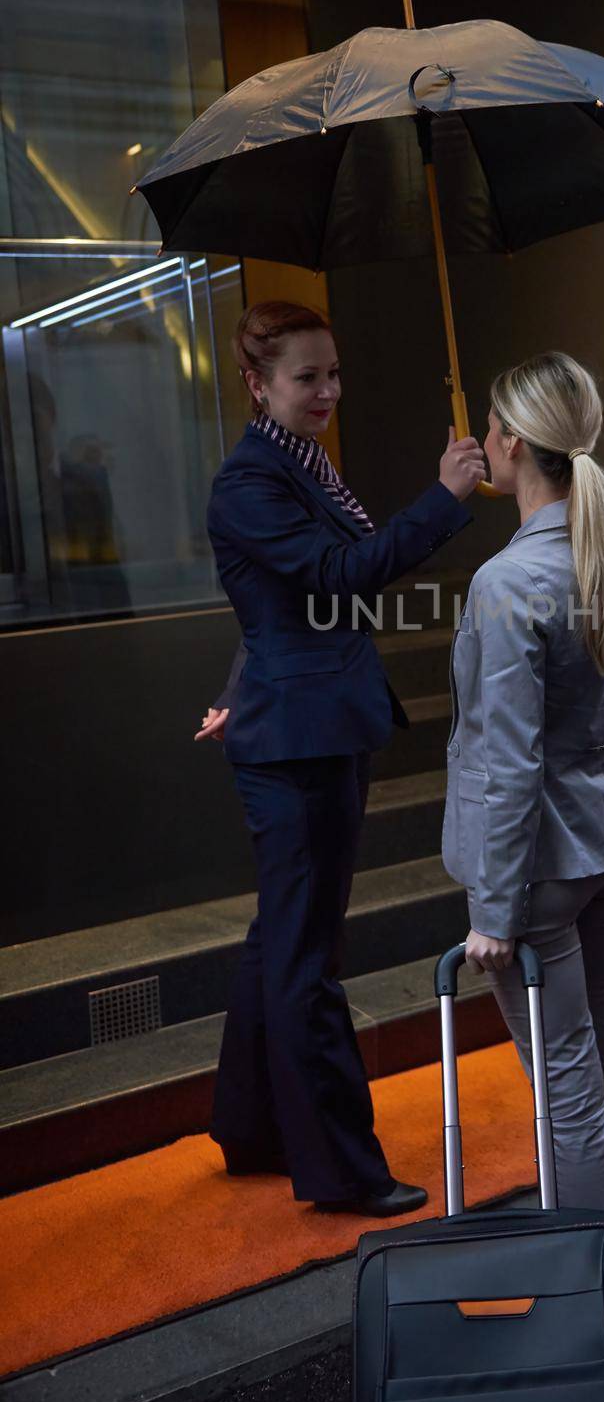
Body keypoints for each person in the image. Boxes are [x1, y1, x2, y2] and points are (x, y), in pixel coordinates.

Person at [196, 300, 484, 1214]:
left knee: (281, 943)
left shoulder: (299, 465)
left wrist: (242, 676)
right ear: (256, 383)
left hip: (312, 724)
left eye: (332, 372)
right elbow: (334, 578)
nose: (327, 391)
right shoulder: (251, 482)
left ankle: (251, 1131)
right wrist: (444, 499)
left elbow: (287, 603)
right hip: (296, 742)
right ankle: (340, 1172)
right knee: (303, 958)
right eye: (305, 377)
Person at [442, 351, 604, 1236]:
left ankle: (589, 1282)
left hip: (538, 870)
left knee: (567, 1080)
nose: (483, 440)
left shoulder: (506, 582)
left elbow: (507, 760)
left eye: (490, 426)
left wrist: (493, 907)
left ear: (516, 442)